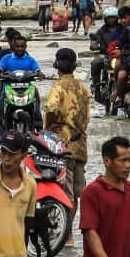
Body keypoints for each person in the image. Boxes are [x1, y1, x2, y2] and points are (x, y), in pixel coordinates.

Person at [43, 48, 91, 223]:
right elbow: (86, 117)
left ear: (56, 64)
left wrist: (47, 131)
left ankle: (66, 234)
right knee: (78, 191)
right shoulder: (83, 87)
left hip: (62, 144)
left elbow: (51, 110)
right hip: (80, 144)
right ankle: (73, 229)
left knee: (65, 190)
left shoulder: (58, 87)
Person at [0, 34, 43, 144]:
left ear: (25, 47)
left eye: (22, 47)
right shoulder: (6, 58)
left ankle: (39, 127)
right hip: (9, 88)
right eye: (17, 47)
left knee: (36, 98)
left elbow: (37, 70)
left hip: (26, 89)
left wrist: (40, 74)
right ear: (13, 46)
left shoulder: (30, 60)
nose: (20, 49)